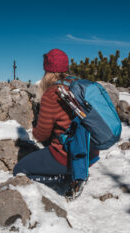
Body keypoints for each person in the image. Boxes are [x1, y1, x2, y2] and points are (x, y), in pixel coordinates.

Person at [13, 48, 99, 199]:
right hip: (90, 152)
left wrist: (34, 128)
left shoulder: (52, 94)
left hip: (68, 155)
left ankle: (65, 178)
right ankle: (75, 172)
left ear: (48, 71)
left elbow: (42, 134)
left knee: (19, 171)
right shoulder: (78, 86)